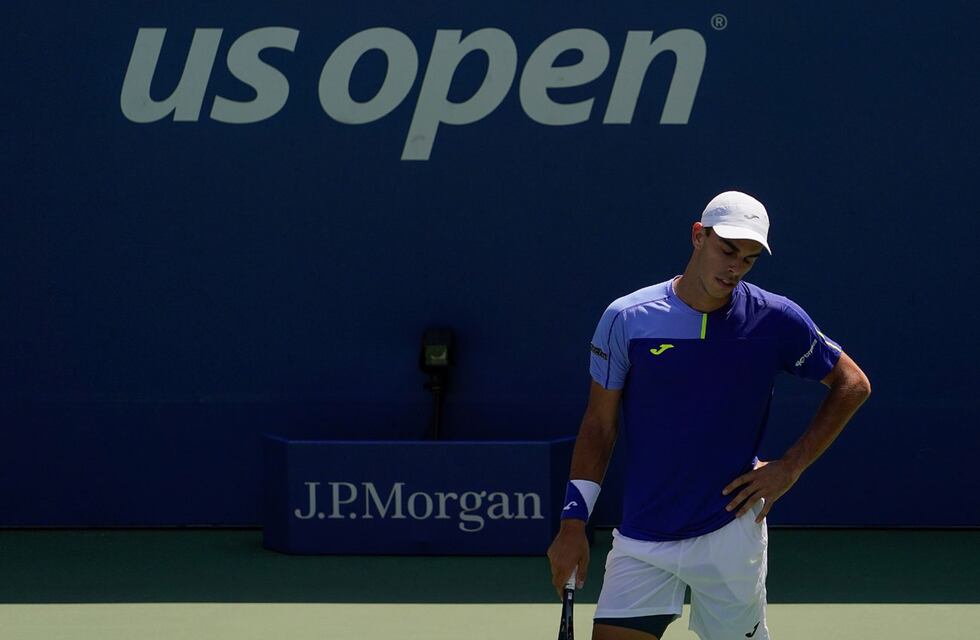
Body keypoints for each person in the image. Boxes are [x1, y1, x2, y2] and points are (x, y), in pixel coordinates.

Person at [547, 191, 871, 640]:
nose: (735, 267)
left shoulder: (774, 320)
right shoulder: (628, 318)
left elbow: (852, 384)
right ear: (699, 236)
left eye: (749, 259)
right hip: (644, 536)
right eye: (727, 250)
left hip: (730, 534)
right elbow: (599, 426)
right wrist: (572, 523)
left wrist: (790, 467)